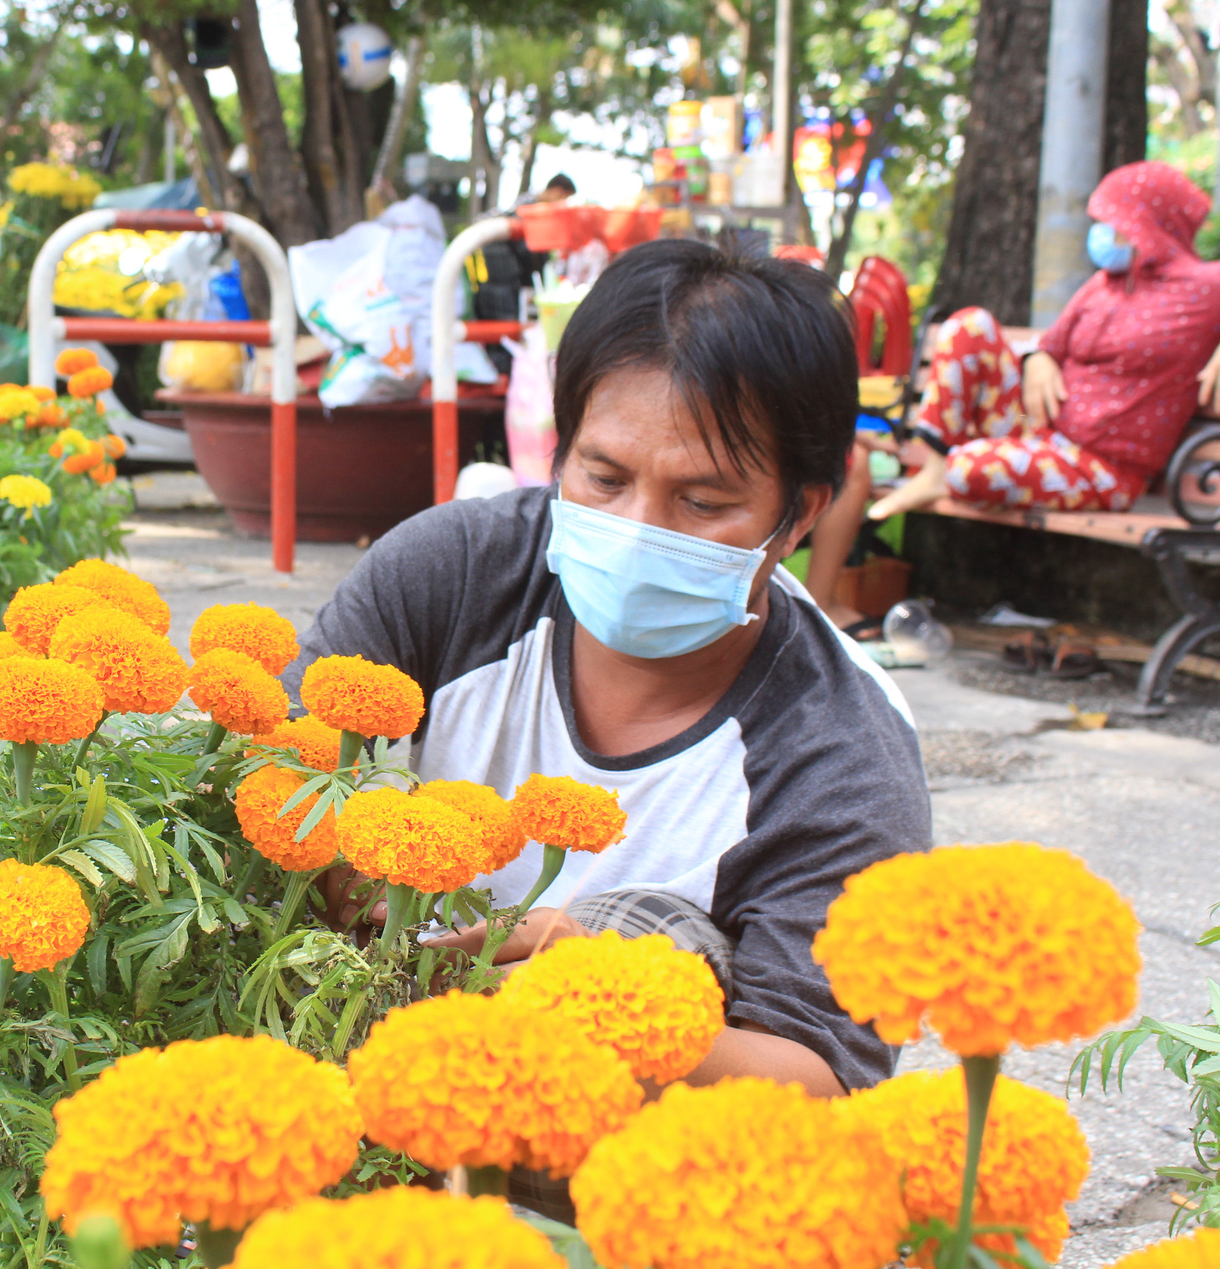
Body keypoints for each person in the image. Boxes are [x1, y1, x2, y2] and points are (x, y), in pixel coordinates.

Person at [288, 240, 931, 1107]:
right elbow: (274, 763)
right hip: (347, 1050)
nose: (637, 528)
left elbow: (826, 1077)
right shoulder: (454, 574)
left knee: (655, 937)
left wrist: (606, 999)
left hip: (608, 1150)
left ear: (800, 512)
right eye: (604, 475)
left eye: (702, 502)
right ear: (560, 451)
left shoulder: (842, 755)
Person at [869, 161, 1220, 521]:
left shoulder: (1212, 286)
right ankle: (931, 468)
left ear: (1146, 225)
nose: (1100, 230)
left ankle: (943, 471)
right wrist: (1041, 358)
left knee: (966, 467)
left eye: (1112, 221)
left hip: (1105, 470)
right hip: (1039, 433)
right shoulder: (1104, 285)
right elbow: (1054, 343)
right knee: (969, 324)